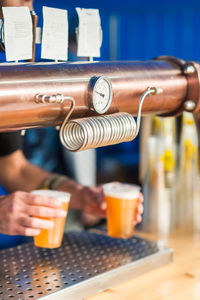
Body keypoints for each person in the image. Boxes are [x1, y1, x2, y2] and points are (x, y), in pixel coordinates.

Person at [0, 0, 143, 242]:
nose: (28, 10)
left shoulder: (6, 77)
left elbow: (14, 168)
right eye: (19, 2)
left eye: (29, 2)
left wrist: (81, 195)